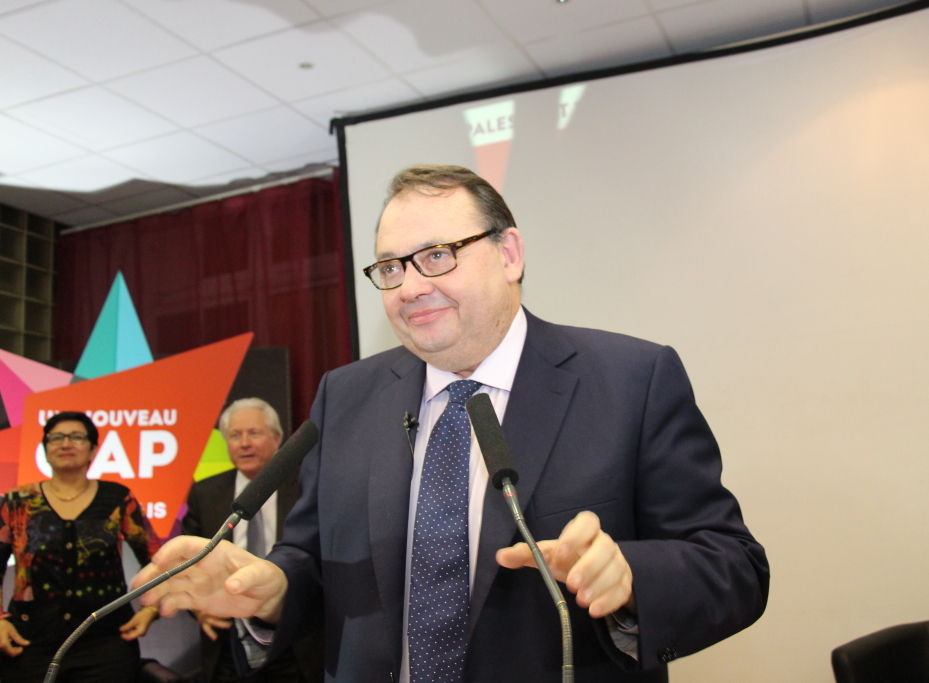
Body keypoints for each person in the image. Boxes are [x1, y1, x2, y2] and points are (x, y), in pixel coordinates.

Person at [136, 165, 770, 682]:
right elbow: (312, 557)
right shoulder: (347, 394)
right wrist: (271, 587)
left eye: (436, 256)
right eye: (390, 268)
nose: (409, 288)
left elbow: (734, 565)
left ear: (509, 253)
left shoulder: (631, 378)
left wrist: (631, 577)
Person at [0, 411, 160, 683]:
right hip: (29, 645)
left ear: (93, 450)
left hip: (105, 645)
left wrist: (151, 609)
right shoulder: (18, 501)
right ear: (45, 449)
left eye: (76, 437)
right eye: (56, 438)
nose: (66, 444)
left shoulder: (118, 498)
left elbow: (158, 560)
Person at [181, 398, 322, 683]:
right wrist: (198, 610)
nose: (244, 443)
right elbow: (188, 564)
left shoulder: (309, 487)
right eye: (235, 435)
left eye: (254, 433)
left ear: (277, 438)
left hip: (298, 642)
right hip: (227, 645)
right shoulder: (205, 493)